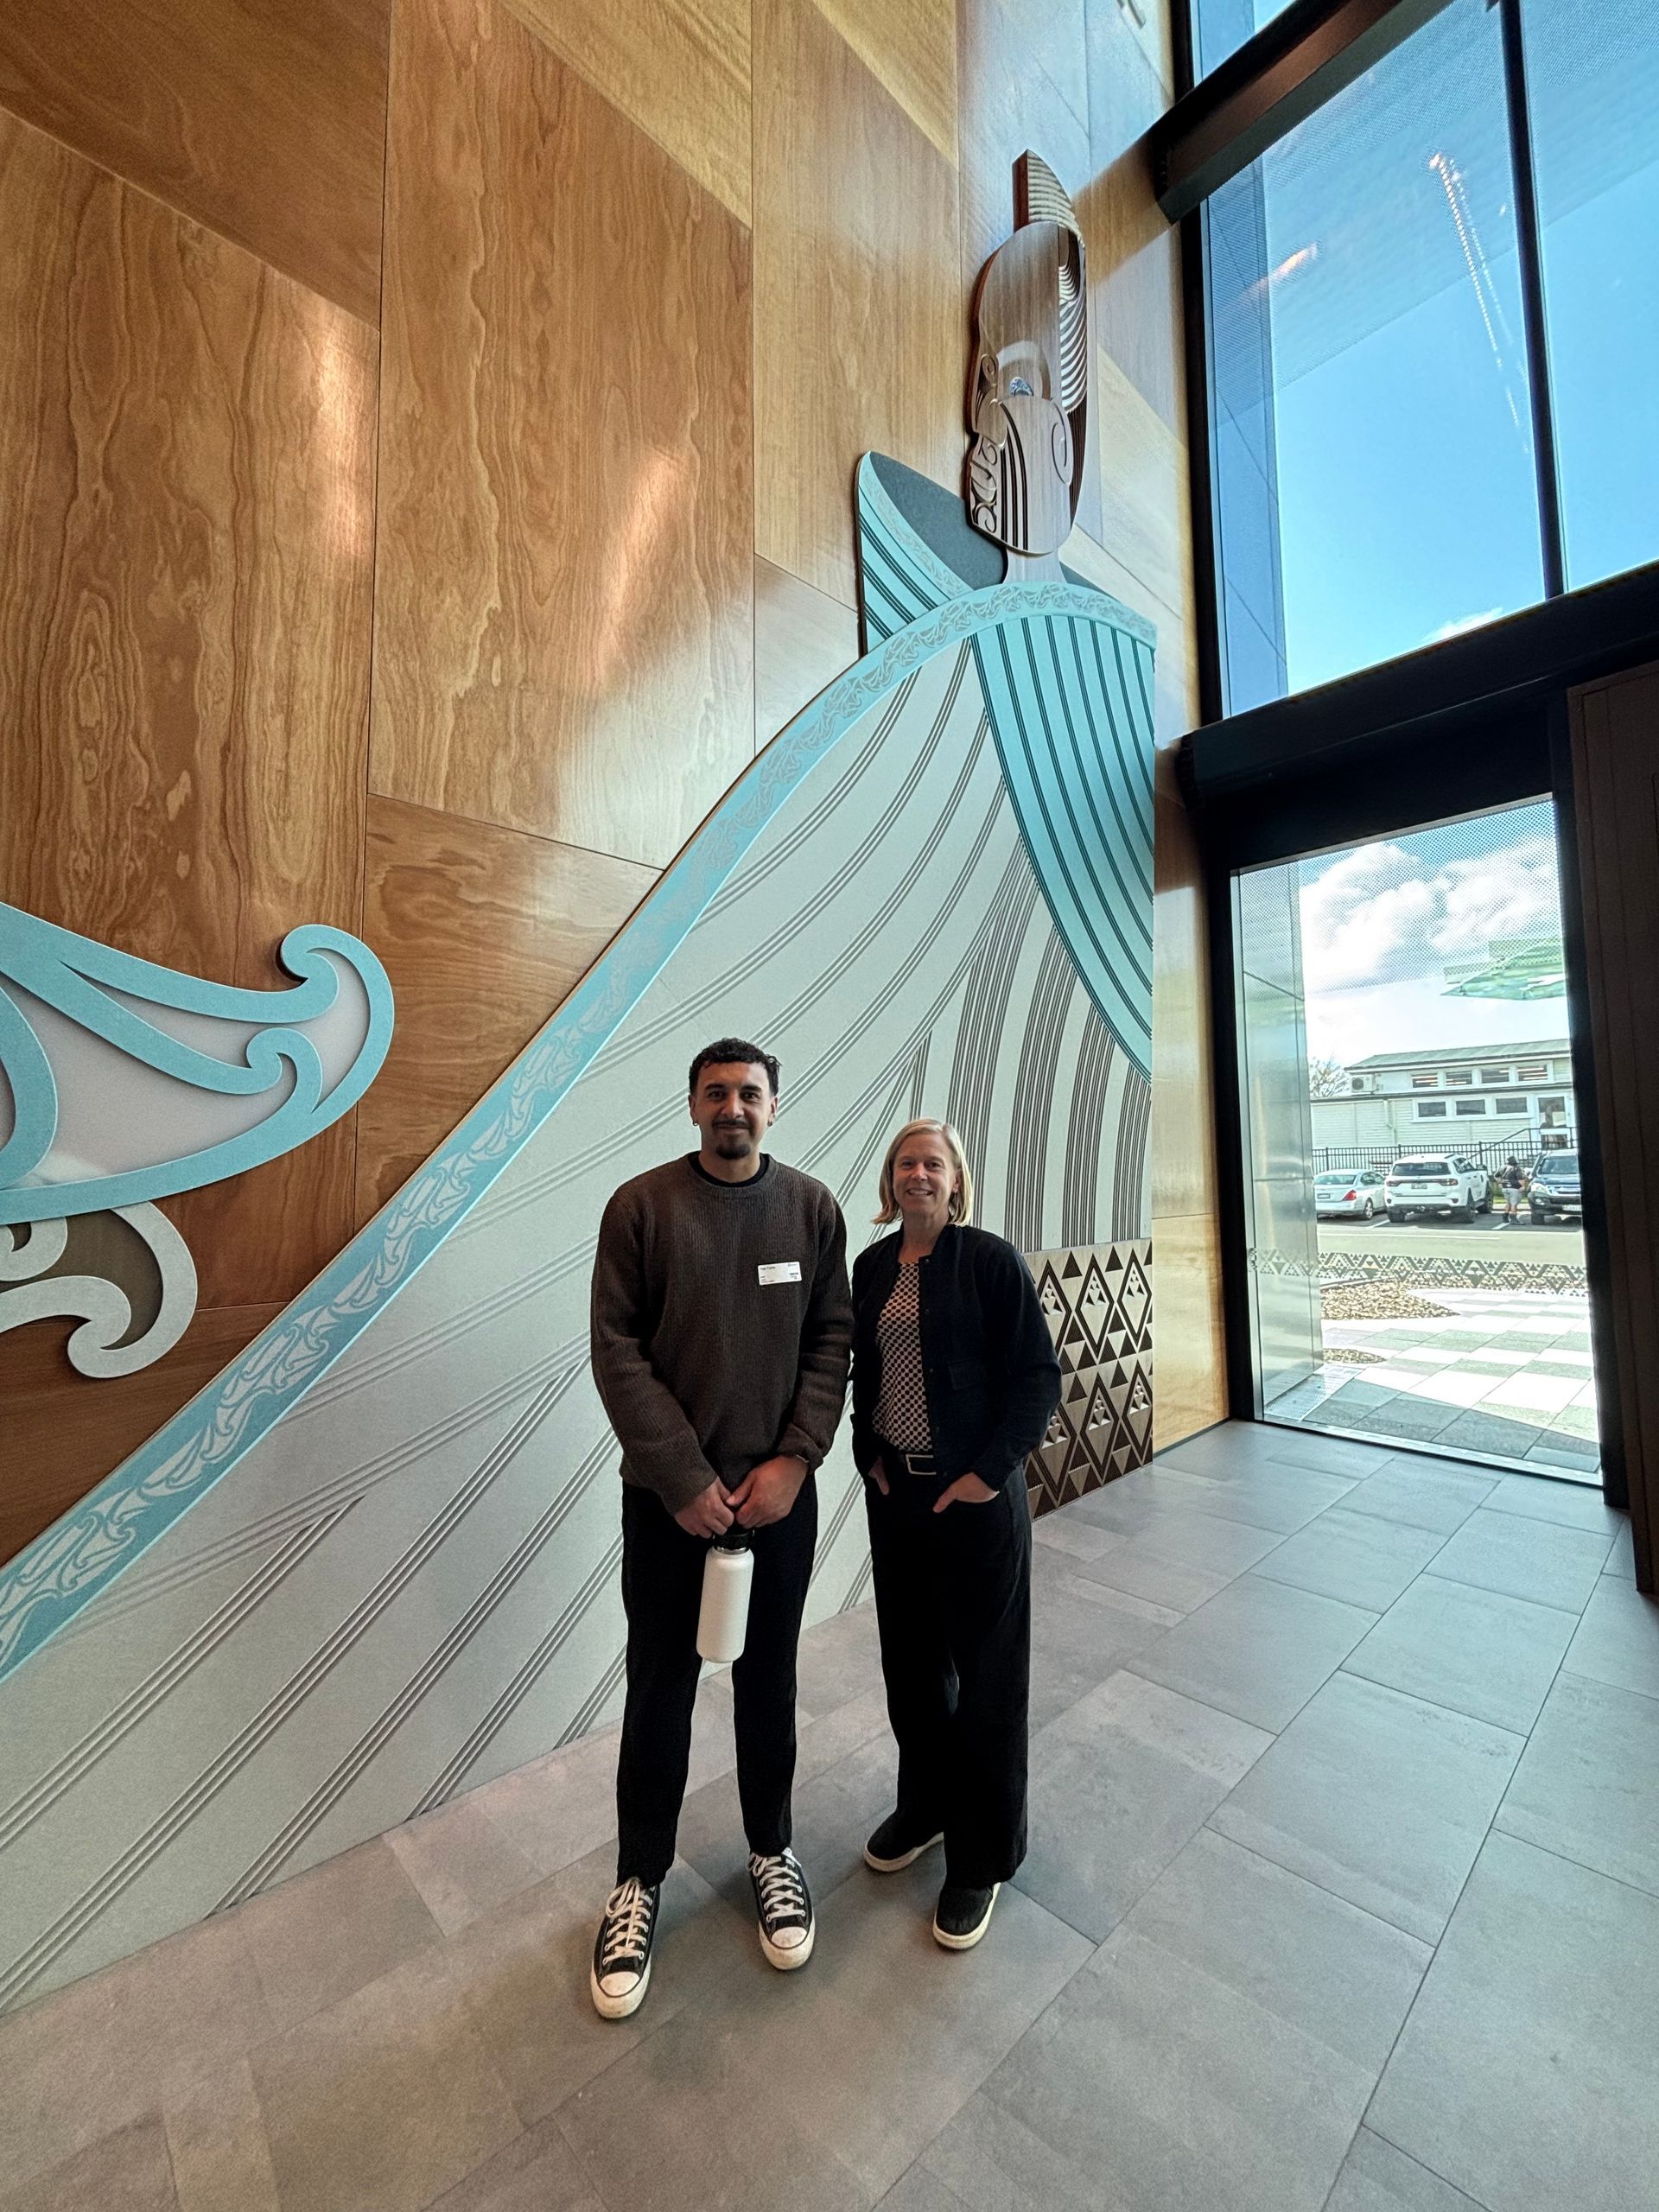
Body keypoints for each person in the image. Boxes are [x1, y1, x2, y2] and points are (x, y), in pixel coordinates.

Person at [588, 1039, 852, 2018]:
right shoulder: (641, 1207)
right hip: (668, 1503)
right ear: (692, 1105)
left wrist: (796, 1459)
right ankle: (637, 1878)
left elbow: (832, 1339)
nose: (732, 1107)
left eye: (748, 1093)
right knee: (660, 1686)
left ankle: (772, 1851)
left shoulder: (812, 1208)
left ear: (774, 1106)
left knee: (768, 1680)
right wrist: (685, 1478)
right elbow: (616, 1350)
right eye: (715, 1093)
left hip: (780, 1499)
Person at [850, 1118, 1061, 1952]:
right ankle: (928, 1808)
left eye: (932, 1163)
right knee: (910, 1667)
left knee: (988, 1678)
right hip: (897, 1498)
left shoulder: (990, 1262)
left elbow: (1036, 1377)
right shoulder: (871, 1268)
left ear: (956, 1179)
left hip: (975, 1500)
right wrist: (868, 1452)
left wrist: (987, 1473)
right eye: (906, 1163)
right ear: (890, 1180)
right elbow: (865, 1373)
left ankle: (982, 1856)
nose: (918, 1174)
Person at [1500, 1157, 1526, 1226]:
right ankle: (1513, 1219)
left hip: (1505, 1188)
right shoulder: (1517, 1169)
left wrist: (1500, 1183)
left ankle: (1505, 1217)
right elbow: (1520, 1179)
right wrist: (1523, 1186)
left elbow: (1496, 1176)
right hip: (1514, 1188)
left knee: (1509, 1203)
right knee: (1514, 1204)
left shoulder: (1503, 1168)